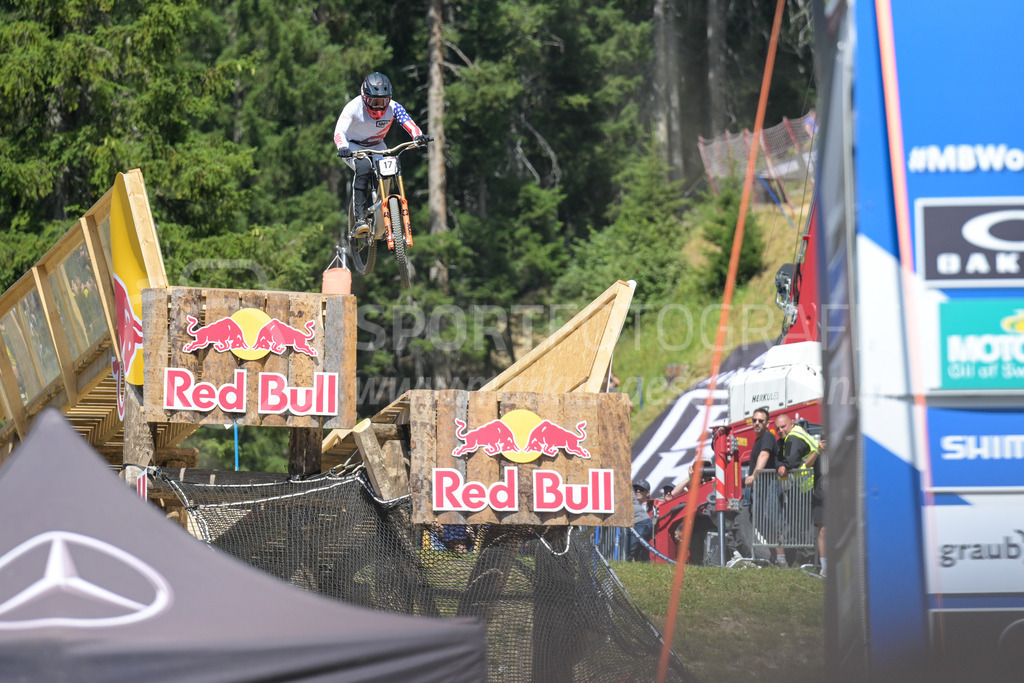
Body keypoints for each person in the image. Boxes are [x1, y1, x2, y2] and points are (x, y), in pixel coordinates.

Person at [334, 72, 430, 238]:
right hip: (353, 145)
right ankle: (359, 220)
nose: (379, 107)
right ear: (364, 97)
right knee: (363, 167)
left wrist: (418, 136)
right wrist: (343, 146)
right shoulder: (352, 107)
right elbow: (339, 131)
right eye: (374, 101)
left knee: (389, 170)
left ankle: (384, 212)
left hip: (377, 146)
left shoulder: (394, 107)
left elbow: (408, 122)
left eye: (383, 101)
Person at [775, 413, 826, 576]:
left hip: (811, 486)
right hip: (812, 485)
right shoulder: (797, 433)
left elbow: (790, 461)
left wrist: (784, 467)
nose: (781, 431)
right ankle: (814, 561)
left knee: (807, 526)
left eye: (783, 427)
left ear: (791, 424)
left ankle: (810, 560)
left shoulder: (793, 438)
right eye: (778, 429)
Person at [744, 407, 785, 566]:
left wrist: (754, 475)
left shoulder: (767, 437)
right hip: (763, 486)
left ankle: (782, 559)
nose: (757, 423)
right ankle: (776, 559)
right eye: (754, 420)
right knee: (764, 523)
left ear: (767, 423)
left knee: (772, 521)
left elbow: (764, 455)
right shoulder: (759, 439)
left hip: (770, 486)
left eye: (760, 421)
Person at [628, 479, 653, 562]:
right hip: (642, 524)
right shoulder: (631, 499)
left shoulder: (650, 506)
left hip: (641, 524)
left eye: (641, 489)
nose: (638, 491)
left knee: (629, 552)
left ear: (647, 493)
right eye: (636, 489)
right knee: (643, 552)